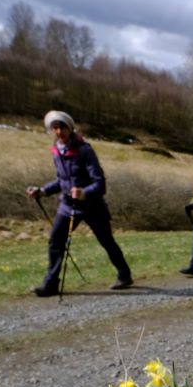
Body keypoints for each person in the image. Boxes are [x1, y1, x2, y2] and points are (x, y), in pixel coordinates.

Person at [26, 111, 132, 297]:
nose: (59, 132)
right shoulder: (57, 151)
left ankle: (124, 274)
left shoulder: (85, 150)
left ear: (70, 128)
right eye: (55, 128)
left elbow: (100, 183)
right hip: (67, 206)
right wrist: (42, 191)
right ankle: (50, 284)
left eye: (62, 127)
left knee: (106, 241)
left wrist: (84, 193)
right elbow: (61, 181)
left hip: (93, 207)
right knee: (56, 241)